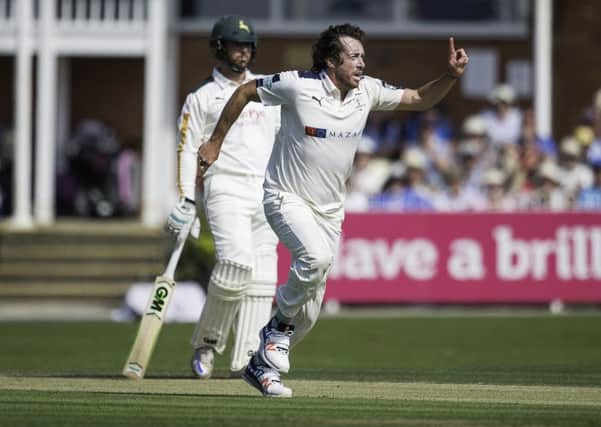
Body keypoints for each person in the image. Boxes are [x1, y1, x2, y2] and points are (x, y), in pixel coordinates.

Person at [197, 23, 469, 397]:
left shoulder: (367, 91)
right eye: (354, 56)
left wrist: (450, 77)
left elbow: (420, 98)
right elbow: (245, 91)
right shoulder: (298, 85)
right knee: (315, 257)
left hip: (328, 212)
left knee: (309, 314)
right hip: (284, 196)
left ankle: (261, 365)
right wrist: (214, 143)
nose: (362, 63)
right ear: (330, 59)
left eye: (363, 56)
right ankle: (275, 329)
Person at [166, 16, 281, 379]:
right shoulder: (201, 97)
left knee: (262, 280)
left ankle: (247, 358)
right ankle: (208, 342)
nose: (243, 52)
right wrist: (186, 199)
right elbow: (186, 149)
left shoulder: (268, 90)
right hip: (224, 186)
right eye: (235, 45)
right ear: (219, 48)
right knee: (235, 265)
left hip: (266, 190)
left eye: (247, 46)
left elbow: (284, 141)